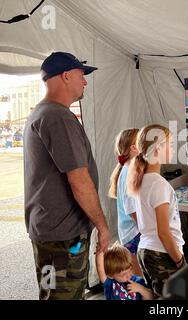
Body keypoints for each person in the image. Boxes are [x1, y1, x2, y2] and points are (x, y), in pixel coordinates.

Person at [23, 52, 111, 300]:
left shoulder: (44, 113)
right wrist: (102, 227)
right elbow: (79, 180)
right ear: (66, 75)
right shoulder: (57, 117)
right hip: (61, 237)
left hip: (56, 234)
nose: (84, 82)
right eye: (82, 76)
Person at [126, 124, 185, 297]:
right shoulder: (159, 185)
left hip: (146, 251)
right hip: (162, 253)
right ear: (157, 150)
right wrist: (180, 262)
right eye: (171, 144)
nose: (173, 148)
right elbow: (163, 232)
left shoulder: (142, 180)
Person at [108, 128, 143, 277]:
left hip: (131, 232)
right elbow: (131, 209)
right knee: (138, 279)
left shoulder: (130, 169)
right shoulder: (130, 172)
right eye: (142, 142)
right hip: (133, 234)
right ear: (134, 148)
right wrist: (147, 229)